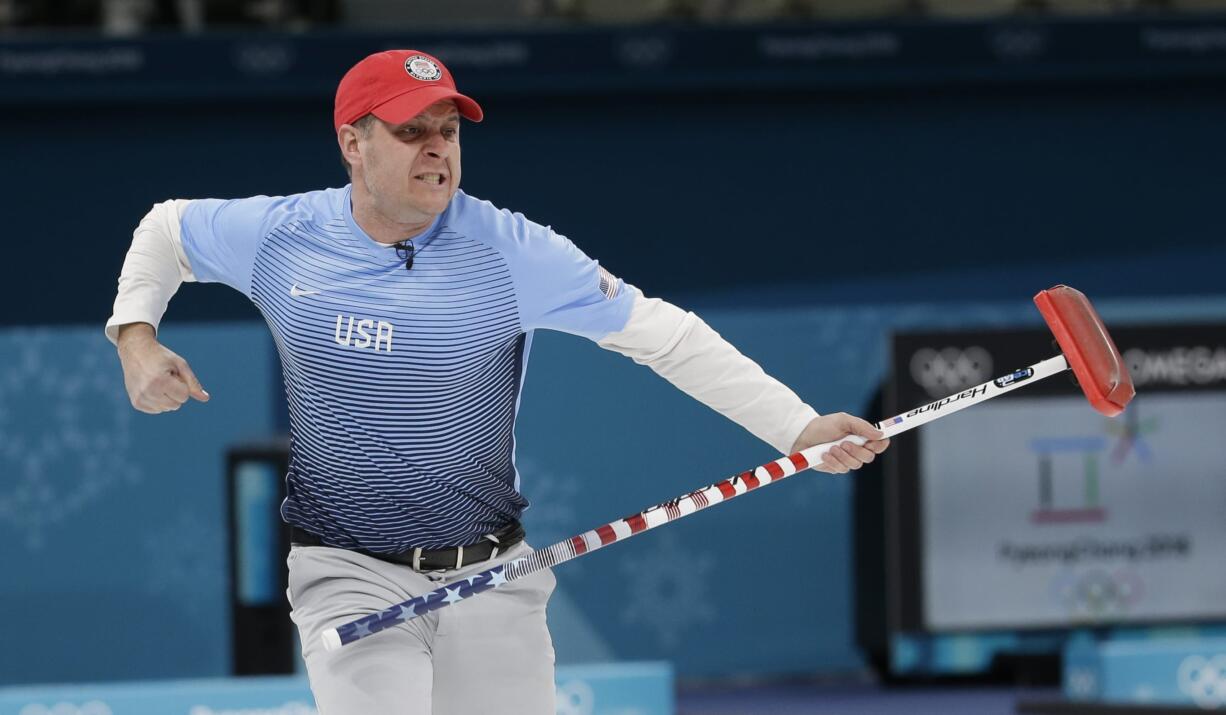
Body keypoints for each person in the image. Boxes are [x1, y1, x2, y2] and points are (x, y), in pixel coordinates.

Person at [106, 49, 890, 715]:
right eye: (410, 130)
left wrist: (796, 427)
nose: (435, 149)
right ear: (353, 142)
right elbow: (165, 229)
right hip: (345, 571)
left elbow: (667, 337)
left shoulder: (512, 251)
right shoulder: (282, 237)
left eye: (446, 131)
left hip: (491, 573)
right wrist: (135, 339)